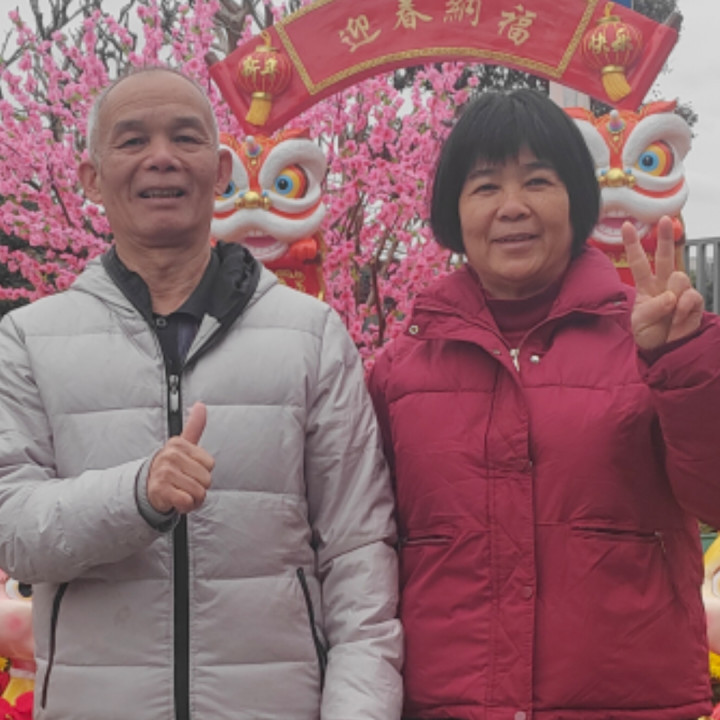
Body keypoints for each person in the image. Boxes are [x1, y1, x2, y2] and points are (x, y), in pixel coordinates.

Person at [0, 66, 402, 720]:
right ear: (91, 179)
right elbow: (13, 531)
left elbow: (359, 556)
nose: (161, 157)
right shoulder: (26, 339)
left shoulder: (311, 335)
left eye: (185, 138)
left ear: (219, 172)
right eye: (133, 140)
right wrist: (137, 496)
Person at [367, 88, 720, 720]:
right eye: (484, 187)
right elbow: (362, 546)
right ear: (452, 212)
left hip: (628, 704)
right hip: (450, 704)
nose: (512, 207)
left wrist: (682, 364)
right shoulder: (401, 371)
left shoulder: (656, 341)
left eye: (537, 181)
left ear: (577, 200)